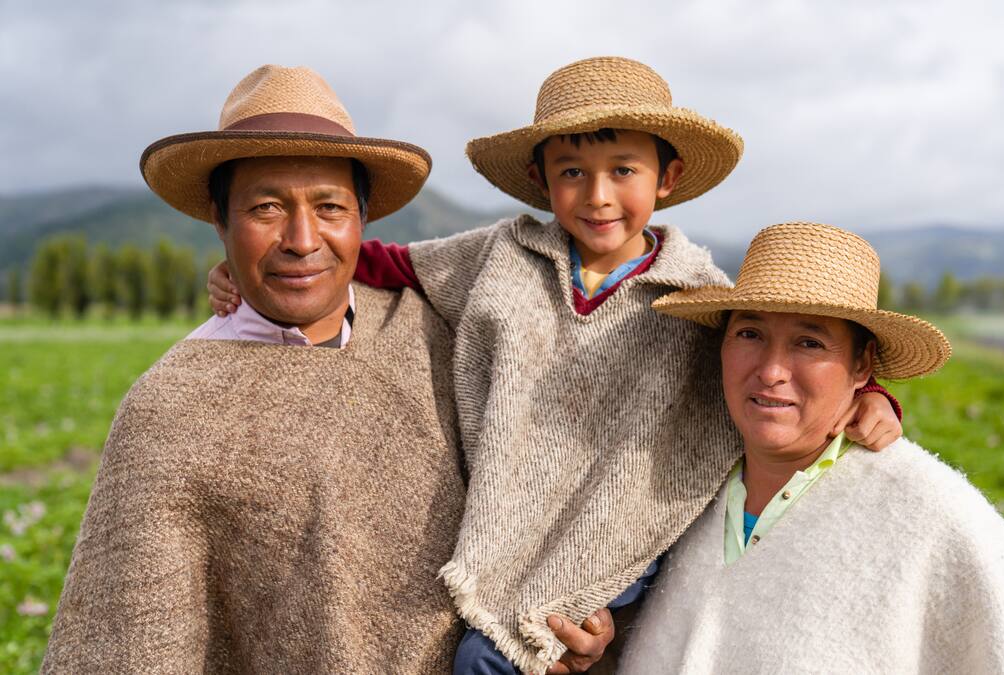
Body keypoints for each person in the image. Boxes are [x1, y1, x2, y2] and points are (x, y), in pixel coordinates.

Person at [207, 56, 907, 673]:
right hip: (511, 511)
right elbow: (391, 264)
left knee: (496, 651)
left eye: (622, 171)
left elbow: (770, 351)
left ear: (668, 176)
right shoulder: (502, 256)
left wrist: (871, 395)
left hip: (617, 523)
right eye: (573, 173)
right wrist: (269, 270)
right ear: (542, 181)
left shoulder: (693, 294)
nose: (597, 195)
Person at [43, 65, 602, 674]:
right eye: (266, 208)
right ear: (218, 218)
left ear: (363, 220)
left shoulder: (436, 333)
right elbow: (128, 641)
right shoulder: (173, 407)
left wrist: (571, 625)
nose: (303, 239)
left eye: (330, 207)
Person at [619, 222, 1004, 673]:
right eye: (749, 334)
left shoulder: (933, 514)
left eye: (809, 342)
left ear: (863, 366)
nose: (771, 370)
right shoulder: (682, 478)